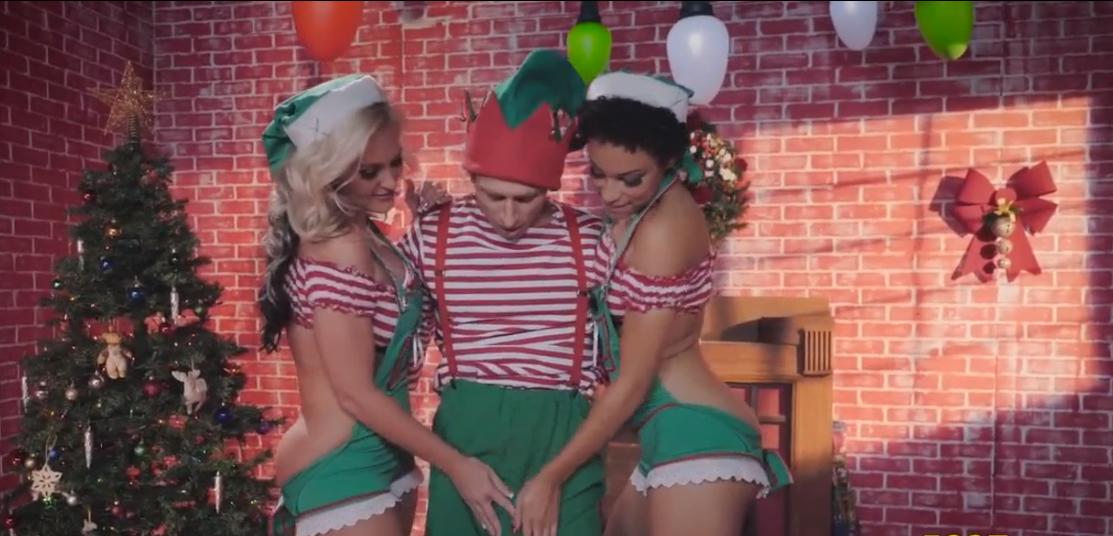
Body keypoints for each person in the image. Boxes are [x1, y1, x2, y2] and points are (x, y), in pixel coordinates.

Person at [514, 72, 792, 536]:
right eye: (598, 174)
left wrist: (551, 477)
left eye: (630, 179)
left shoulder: (662, 230)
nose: (610, 193)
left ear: (667, 160)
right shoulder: (640, 213)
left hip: (696, 432)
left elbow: (634, 382)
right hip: (668, 430)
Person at [257, 73, 512, 536]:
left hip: (386, 458)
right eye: (369, 171)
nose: (391, 181)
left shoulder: (364, 233)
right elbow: (355, 393)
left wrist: (424, 224)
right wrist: (456, 464)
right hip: (341, 463)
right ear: (329, 171)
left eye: (394, 162)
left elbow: (402, 310)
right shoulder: (339, 248)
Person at [399, 50, 606, 536]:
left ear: (550, 187)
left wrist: (556, 475)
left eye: (526, 198)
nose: (510, 216)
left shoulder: (590, 240)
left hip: (565, 438)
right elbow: (395, 354)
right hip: (466, 434)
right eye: (494, 196)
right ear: (471, 180)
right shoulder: (434, 235)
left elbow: (624, 368)